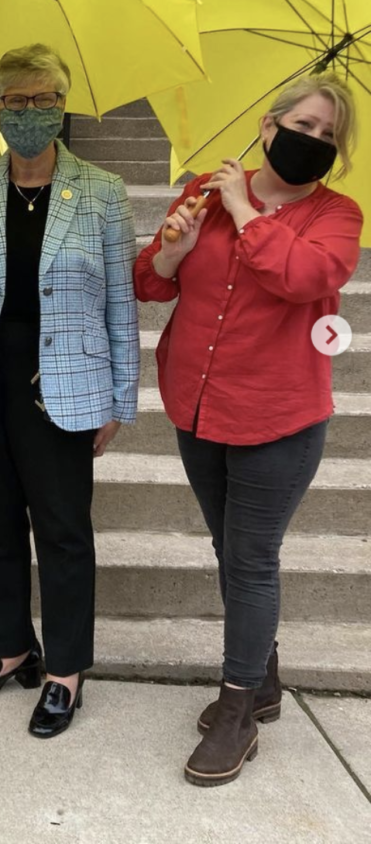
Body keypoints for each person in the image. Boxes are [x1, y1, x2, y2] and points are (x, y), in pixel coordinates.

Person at [134, 75, 363, 787]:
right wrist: (175, 244)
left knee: (252, 556)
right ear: (268, 125)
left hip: (279, 414)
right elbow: (151, 281)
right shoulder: (204, 187)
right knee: (225, 543)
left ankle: (237, 707)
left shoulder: (338, 214)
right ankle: (261, 677)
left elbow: (304, 275)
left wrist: (246, 210)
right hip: (198, 403)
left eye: (329, 134)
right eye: (304, 123)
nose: (314, 141)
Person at [0, 45, 139, 739]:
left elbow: (121, 306)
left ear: (62, 105)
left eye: (43, 99)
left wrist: (120, 400)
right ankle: (13, 647)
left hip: (64, 389)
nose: (29, 112)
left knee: (64, 533)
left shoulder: (103, 192)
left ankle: (66, 670)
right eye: (15, 99)